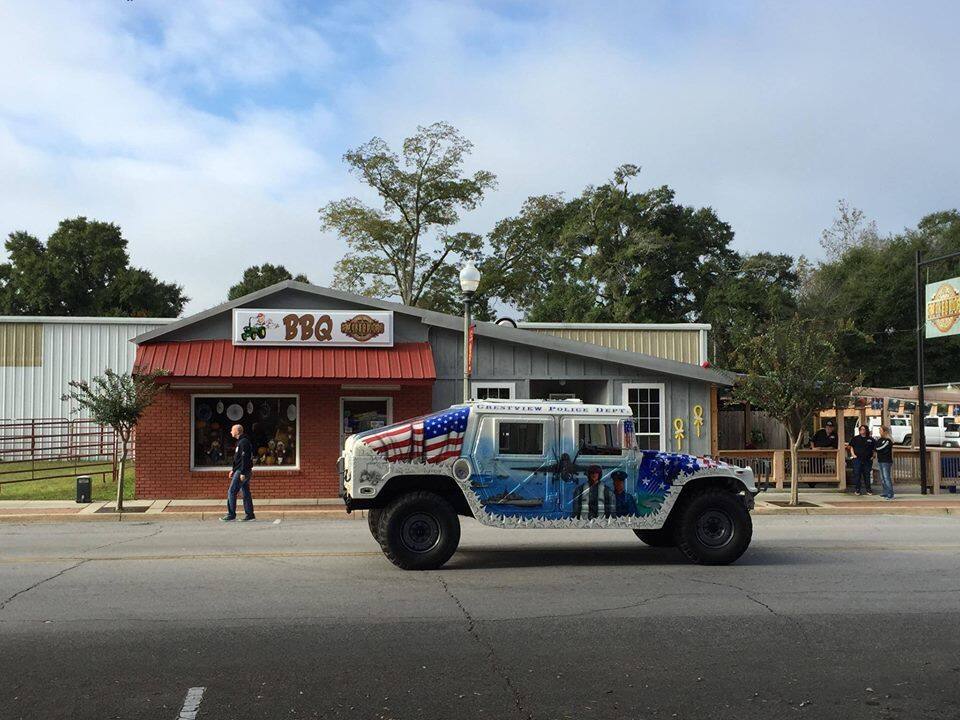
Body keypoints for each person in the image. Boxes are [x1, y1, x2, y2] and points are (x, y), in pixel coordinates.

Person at [222, 423, 255, 522]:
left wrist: (243, 473)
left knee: (232, 491)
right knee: (245, 492)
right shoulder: (240, 442)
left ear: (237, 431)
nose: (231, 432)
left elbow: (245, 458)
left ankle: (231, 514)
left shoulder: (243, 442)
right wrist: (233, 469)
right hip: (240, 470)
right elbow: (238, 459)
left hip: (242, 470)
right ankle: (250, 514)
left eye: (232, 430)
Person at [847, 424, 876, 496]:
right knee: (857, 474)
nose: (862, 431)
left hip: (867, 460)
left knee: (867, 474)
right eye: (861, 429)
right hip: (857, 459)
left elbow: (874, 449)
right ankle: (857, 489)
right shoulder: (855, 438)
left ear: (866, 430)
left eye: (864, 429)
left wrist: (873, 456)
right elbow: (851, 447)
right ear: (859, 431)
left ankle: (868, 489)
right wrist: (853, 455)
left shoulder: (871, 439)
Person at [875, 425, 895, 500]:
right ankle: (885, 492)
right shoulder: (880, 440)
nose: (880, 432)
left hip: (886, 461)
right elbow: (876, 446)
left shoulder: (888, 441)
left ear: (885, 431)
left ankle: (890, 493)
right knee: (882, 477)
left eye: (881, 430)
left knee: (886, 477)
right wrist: (876, 448)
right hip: (880, 460)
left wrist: (877, 449)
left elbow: (879, 448)